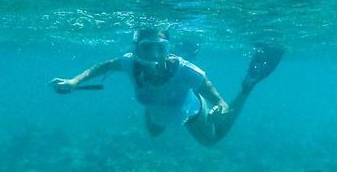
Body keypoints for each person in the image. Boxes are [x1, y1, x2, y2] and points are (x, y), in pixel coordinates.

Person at [50, 29, 283, 146]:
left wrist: (220, 107)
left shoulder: (186, 71)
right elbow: (103, 67)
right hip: (156, 109)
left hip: (191, 112)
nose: (154, 56)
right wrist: (74, 82)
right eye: (147, 48)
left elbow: (216, 98)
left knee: (211, 141)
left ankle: (248, 86)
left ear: (168, 49)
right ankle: (187, 54)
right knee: (153, 132)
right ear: (137, 49)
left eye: (161, 49)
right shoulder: (130, 63)